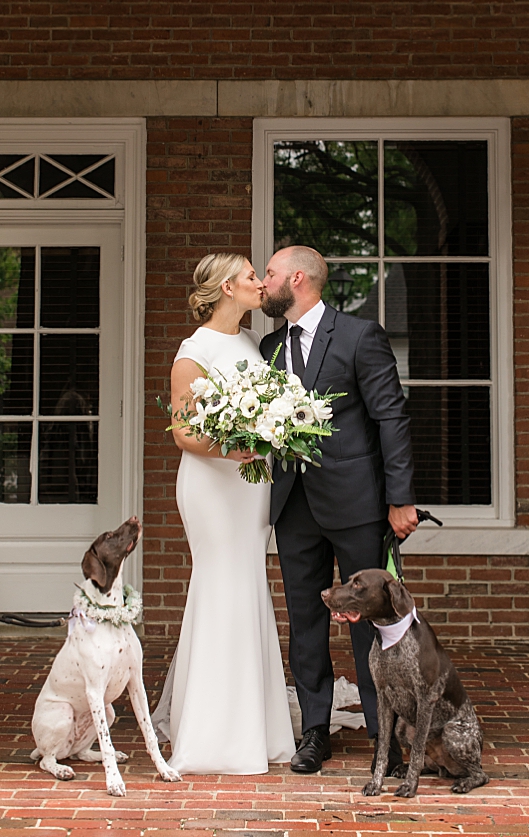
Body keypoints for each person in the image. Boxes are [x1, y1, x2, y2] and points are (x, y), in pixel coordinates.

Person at [258, 245, 418, 775]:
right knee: (305, 622)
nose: (264, 283)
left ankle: (385, 737)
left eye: (272, 274)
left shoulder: (358, 335)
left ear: (298, 279)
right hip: (294, 505)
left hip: (357, 503)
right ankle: (313, 733)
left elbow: (391, 417)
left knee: (368, 624)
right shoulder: (269, 346)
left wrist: (400, 498)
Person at [152, 254, 295, 774]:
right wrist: (232, 448)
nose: (262, 283)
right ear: (227, 287)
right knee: (219, 587)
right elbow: (185, 432)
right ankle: (211, 733)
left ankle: (256, 727)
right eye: (253, 276)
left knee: (249, 585)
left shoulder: (253, 345)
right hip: (213, 486)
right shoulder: (194, 352)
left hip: (250, 487)